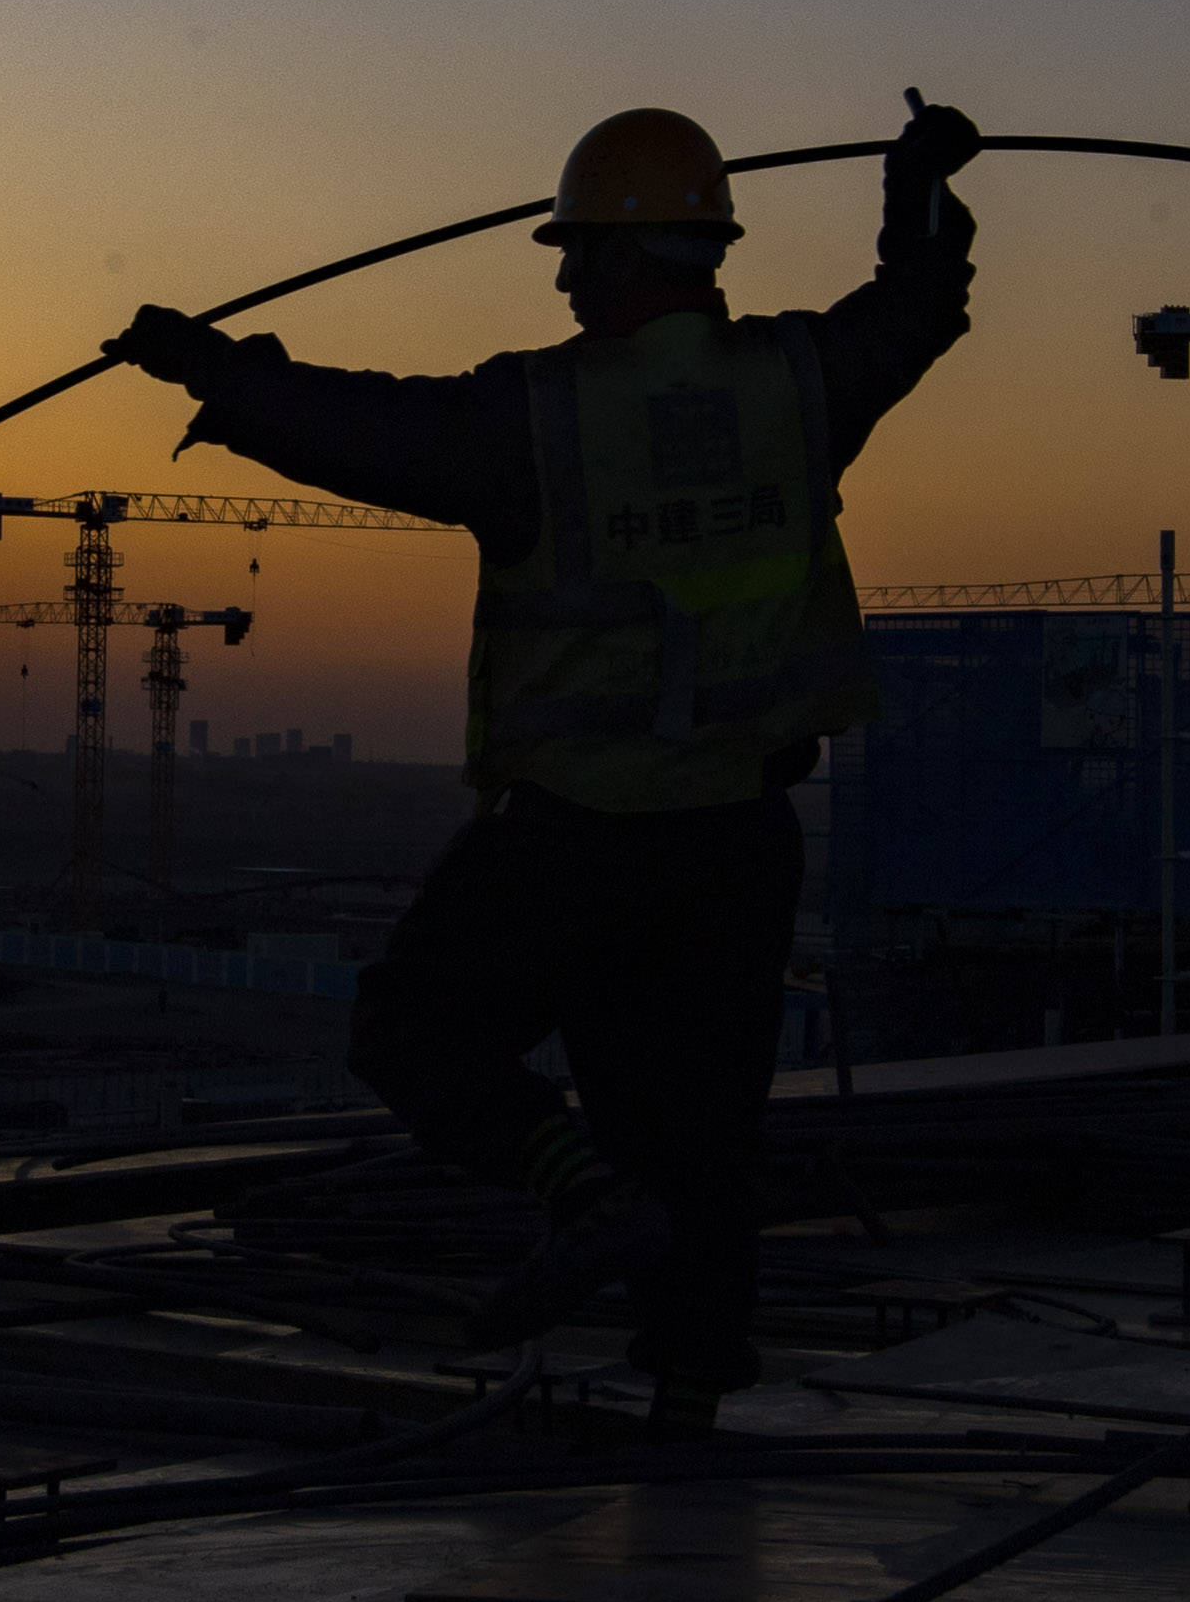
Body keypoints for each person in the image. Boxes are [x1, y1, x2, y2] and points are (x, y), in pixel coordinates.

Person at [107, 97, 981, 1429]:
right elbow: (918, 303)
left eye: (577, 254)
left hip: (575, 839)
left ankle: (579, 1193)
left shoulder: (541, 417)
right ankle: (688, 1409)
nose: (568, 278)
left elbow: (367, 431)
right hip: (739, 844)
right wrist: (916, 184)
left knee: (411, 1028)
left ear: (630, 262)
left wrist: (213, 371)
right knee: (699, 1133)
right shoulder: (801, 385)